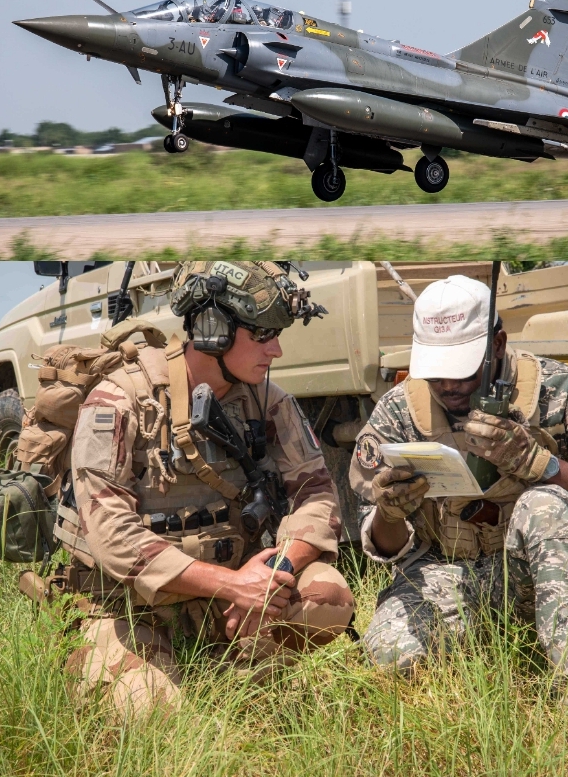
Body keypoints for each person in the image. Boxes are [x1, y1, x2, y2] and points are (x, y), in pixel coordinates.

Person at [62, 261, 354, 714]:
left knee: (329, 598)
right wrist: (234, 586)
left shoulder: (265, 400)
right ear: (214, 329)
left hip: (227, 596)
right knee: (154, 714)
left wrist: (271, 576)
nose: (275, 349)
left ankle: (237, 667)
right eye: (262, 335)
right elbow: (112, 536)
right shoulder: (122, 400)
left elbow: (316, 495)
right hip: (129, 607)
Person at [349, 274, 568, 706]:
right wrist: (390, 513)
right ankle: (477, 659)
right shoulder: (399, 410)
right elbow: (378, 543)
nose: (448, 386)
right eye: (435, 373)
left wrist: (544, 466)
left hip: (537, 575)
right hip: (442, 574)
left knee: (546, 504)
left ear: (498, 345)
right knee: (390, 658)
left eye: (462, 371)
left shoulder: (558, 391)